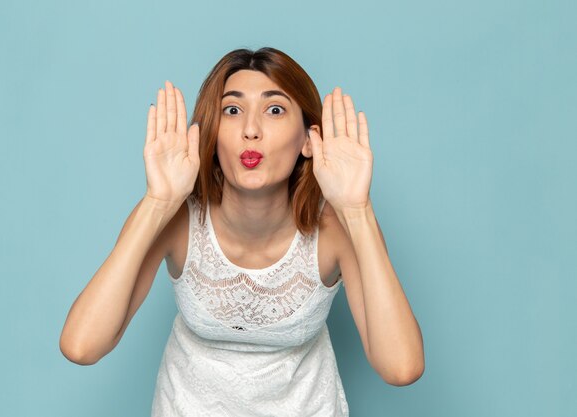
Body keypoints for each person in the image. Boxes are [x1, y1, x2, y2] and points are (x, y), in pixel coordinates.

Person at [60, 47, 424, 416]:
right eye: (232, 110)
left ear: (308, 141)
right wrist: (157, 201)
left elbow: (401, 367)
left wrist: (357, 210)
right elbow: (81, 345)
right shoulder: (175, 217)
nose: (251, 130)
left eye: (275, 109)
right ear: (212, 135)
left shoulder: (337, 225)